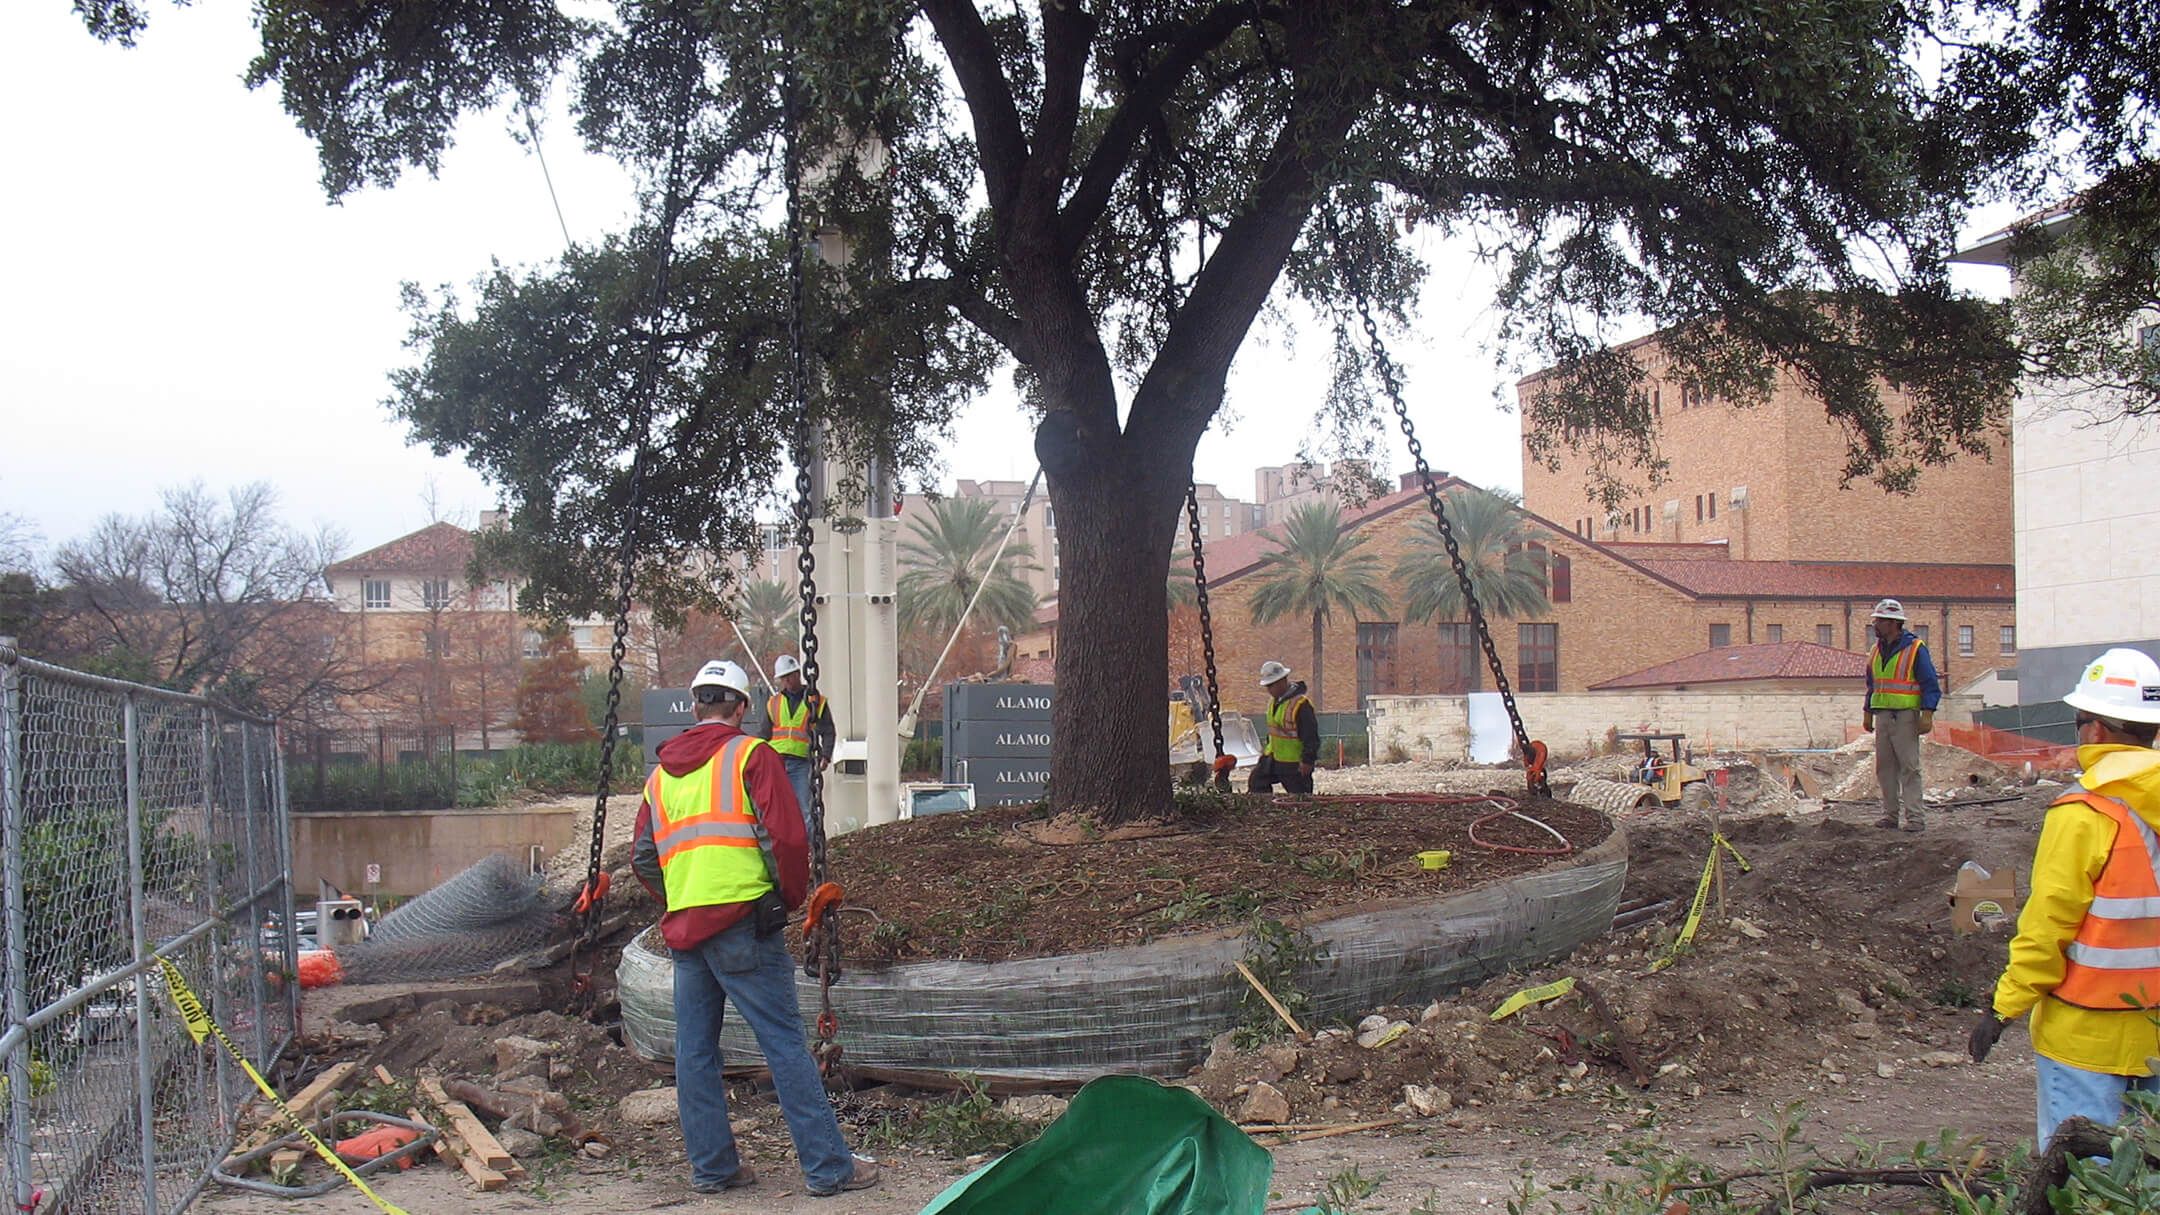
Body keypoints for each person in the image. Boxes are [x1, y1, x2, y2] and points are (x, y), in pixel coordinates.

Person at [631, 659, 879, 1197]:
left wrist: (681, 896)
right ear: (743, 708)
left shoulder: (659, 777)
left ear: (695, 706)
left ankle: (714, 1170)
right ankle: (828, 1167)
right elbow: (787, 839)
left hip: (686, 930)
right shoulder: (751, 755)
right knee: (785, 1046)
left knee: (694, 1054)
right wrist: (786, 899)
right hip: (744, 922)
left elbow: (644, 857)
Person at [1971, 647, 2160, 1148]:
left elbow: (2048, 926)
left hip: (2086, 1036)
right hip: (2157, 1032)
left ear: (2095, 729)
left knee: (2083, 1183)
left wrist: (2002, 1007)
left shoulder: (2084, 813)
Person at [1862, 598, 1940, 830]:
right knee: (1885, 767)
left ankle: (1915, 818)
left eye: (1880, 621)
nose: (1875, 625)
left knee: (1909, 767)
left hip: (1906, 715)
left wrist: (1928, 713)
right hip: (1884, 715)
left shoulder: (1915, 649)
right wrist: (1868, 712)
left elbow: (1930, 682)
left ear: (1893, 623)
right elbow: (1872, 684)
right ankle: (1890, 815)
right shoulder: (1875, 651)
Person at [761, 654, 836, 834]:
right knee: (776, 810)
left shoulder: (815, 702)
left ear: (798, 674)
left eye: (790, 675)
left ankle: (809, 850)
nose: (787, 680)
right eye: (783, 677)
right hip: (777, 762)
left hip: (801, 762)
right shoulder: (774, 703)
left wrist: (825, 755)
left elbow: (828, 730)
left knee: (804, 810)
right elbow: (763, 733)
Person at [1249, 661, 1319, 795]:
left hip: (1294, 764)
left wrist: (1307, 761)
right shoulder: (1274, 703)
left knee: (1300, 798)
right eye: (1267, 686)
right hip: (1274, 758)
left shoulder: (1301, 705)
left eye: (1271, 685)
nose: (1269, 690)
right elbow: (1274, 731)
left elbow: (1311, 737)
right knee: (1257, 782)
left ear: (1282, 681)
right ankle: (1265, 811)